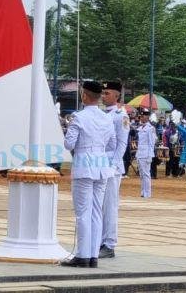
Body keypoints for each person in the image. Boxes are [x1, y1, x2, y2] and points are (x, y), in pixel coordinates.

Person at [61, 81, 114, 268]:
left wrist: (67, 129)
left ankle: (82, 255)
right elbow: (112, 144)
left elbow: (69, 144)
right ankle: (93, 256)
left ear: (85, 95)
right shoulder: (107, 118)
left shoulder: (78, 117)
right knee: (96, 212)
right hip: (101, 165)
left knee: (83, 212)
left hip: (84, 164)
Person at [98, 82, 129, 259]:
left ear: (116, 96)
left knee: (110, 206)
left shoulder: (120, 115)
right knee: (101, 205)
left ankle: (109, 244)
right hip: (101, 163)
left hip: (112, 166)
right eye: (102, 93)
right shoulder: (104, 114)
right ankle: (101, 240)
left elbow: (122, 143)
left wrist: (114, 165)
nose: (103, 96)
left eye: (107, 93)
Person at [135, 108, 157, 197]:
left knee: (146, 174)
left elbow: (152, 142)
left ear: (147, 117)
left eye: (143, 116)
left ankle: (147, 193)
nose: (141, 117)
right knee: (141, 174)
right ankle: (143, 192)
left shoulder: (150, 128)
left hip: (146, 153)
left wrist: (150, 155)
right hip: (140, 153)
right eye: (141, 116)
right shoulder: (140, 128)